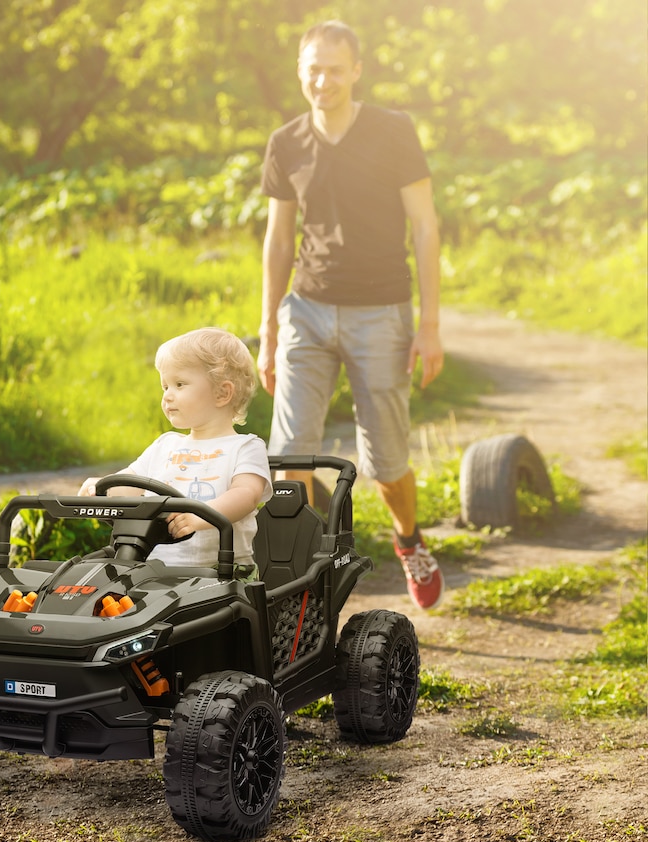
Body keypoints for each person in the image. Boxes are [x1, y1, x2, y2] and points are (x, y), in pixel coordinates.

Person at [257, 19, 445, 610]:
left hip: (381, 313)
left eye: (335, 69)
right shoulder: (286, 142)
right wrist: (267, 329)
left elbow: (425, 224)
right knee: (288, 458)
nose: (323, 80)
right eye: (313, 69)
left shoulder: (393, 131)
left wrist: (430, 324)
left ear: (356, 70)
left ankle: (408, 540)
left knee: (386, 461)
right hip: (306, 312)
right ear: (300, 72)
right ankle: (309, 572)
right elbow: (278, 239)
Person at [79, 327, 273, 577]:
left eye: (179, 384)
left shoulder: (245, 447)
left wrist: (200, 516)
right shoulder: (166, 445)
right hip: (153, 572)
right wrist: (102, 488)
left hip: (224, 575)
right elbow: (130, 482)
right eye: (164, 386)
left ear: (222, 393)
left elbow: (246, 496)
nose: (167, 396)